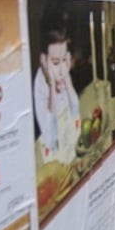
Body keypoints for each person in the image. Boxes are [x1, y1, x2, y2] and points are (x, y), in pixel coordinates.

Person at [34, 23, 81, 162]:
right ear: (44, 61)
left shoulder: (63, 70)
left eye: (64, 60)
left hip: (70, 153)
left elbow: (75, 114)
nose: (61, 70)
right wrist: (52, 83)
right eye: (55, 63)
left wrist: (66, 78)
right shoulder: (41, 84)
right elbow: (51, 140)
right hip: (54, 162)